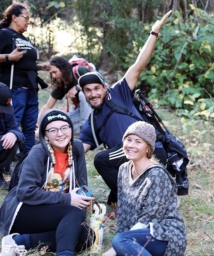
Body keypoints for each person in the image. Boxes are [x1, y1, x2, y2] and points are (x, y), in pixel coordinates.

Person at [78, 10, 173, 205]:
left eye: (97, 88)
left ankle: (137, 200)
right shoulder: (92, 122)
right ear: (83, 93)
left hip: (151, 151)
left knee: (101, 160)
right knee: (113, 193)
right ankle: (141, 196)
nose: (93, 94)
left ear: (105, 88)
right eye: (88, 90)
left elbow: (139, 64)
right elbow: (79, 149)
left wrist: (154, 32)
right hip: (129, 159)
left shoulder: (119, 92)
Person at [0, 110, 95, 256]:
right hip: (25, 210)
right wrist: (67, 199)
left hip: (57, 211)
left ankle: (19, 241)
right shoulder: (38, 152)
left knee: (87, 236)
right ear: (45, 135)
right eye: (53, 130)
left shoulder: (77, 148)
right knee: (73, 214)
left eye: (64, 128)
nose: (60, 134)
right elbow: (25, 192)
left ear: (71, 129)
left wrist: (82, 214)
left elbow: (81, 186)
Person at [102, 121, 187, 256]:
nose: (131, 145)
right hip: (135, 237)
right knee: (119, 242)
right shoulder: (124, 170)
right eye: (128, 140)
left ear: (148, 148)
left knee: (119, 241)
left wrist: (116, 246)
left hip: (165, 235)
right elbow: (123, 213)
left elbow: (149, 219)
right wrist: (119, 247)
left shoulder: (156, 174)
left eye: (138, 142)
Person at [0, 4, 47, 158]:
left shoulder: (23, 38)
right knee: (12, 124)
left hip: (31, 88)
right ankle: (4, 161)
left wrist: (41, 67)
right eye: (26, 17)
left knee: (30, 126)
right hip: (14, 88)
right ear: (14, 17)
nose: (28, 21)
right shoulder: (4, 34)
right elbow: (10, 58)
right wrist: (8, 57)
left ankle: (29, 159)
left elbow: (25, 63)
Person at [37, 56, 93, 135]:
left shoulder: (79, 70)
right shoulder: (62, 82)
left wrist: (77, 87)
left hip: (94, 105)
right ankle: (87, 128)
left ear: (62, 68)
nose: (53, 76)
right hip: (80, 109)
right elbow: (48, 106)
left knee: (81, 94)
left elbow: (97, 83)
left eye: (55, 72)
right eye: (51, 73)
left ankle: (86, 130)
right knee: (63, 124)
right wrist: (37, 123)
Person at [0, 82, 25, 190]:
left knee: (13, 141)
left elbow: (17, 131)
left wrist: (13, 134)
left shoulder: (5, 111)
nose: (0, 111)